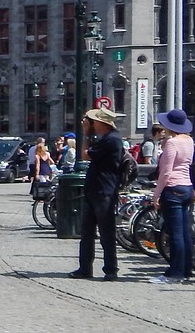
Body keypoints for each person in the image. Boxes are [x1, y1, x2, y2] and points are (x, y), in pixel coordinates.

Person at [71, 107, 124, 281]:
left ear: (101, 123)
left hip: (104, 192)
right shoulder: (107, 139)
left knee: (106, 232)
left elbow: (85, 155)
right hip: (96, 190)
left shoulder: (111, 140)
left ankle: (110, 269)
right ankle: (85, 267)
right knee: (87, 232)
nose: (90, 124)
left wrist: (86, 133)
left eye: (93, 122)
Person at [150, 108, 194, 284]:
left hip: (173, 188)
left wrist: (156, 194)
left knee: (175, 233)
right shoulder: (189, 141)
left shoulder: (172, 143)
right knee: (185, 232)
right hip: (187, 186)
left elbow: (165, 173)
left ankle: (175, 273)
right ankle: (186, 268)